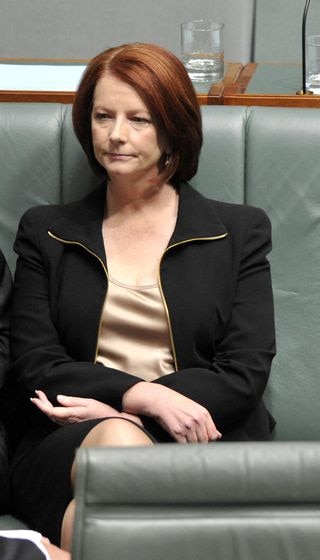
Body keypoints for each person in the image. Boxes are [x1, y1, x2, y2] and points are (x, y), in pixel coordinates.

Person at [6, 43, 276, 553]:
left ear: (173, 127)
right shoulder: (46, 232)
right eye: (103, 117)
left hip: (205, 438)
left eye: (139, 119)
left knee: (111, 484)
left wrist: (128, 414)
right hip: (69, 444)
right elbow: (36, 363)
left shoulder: (238, 231)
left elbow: (244, 372)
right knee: (115, 448)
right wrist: (139, 397)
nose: (116, 135)